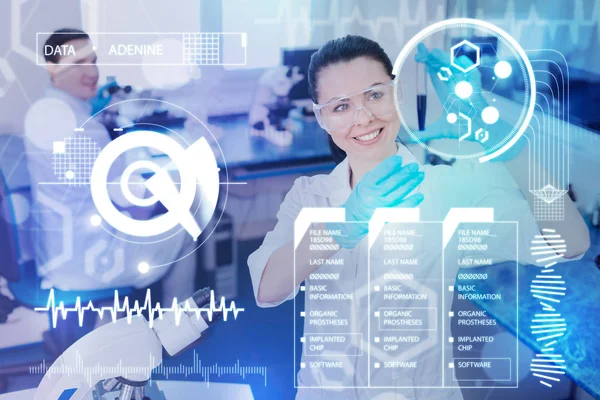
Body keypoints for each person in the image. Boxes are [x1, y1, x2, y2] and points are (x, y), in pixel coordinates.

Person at [248, 35, 590, 399]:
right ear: (321, 118)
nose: (362, 118)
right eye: (340, 106)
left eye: (375, 95)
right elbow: (268, 288)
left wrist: (504, 140)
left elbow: (570, 242)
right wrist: (343, 225)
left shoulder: (447, 192)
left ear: (396, 95)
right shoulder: (309, 196)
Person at [24, 29, 196, 307]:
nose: (92, 72)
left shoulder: (45, 109)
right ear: (53, 69)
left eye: (92, 61)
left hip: (56, 254)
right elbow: (135, 203)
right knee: (185, 226)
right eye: (78, 64)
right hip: (87, 262)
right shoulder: (83, 128)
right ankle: (179, 328)